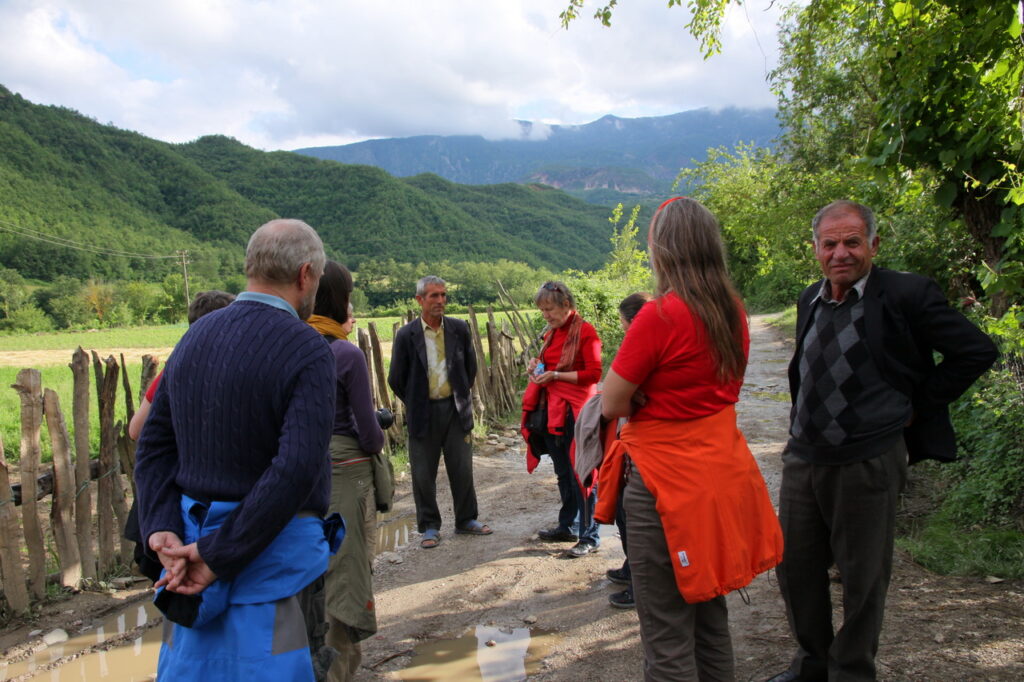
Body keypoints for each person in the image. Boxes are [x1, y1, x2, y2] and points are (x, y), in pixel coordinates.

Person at [767, 201, 998, 682]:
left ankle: (851, 671)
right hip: (804, 457)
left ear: (873, 244)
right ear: (816, 249)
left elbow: (975, 350)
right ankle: (812, 663)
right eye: (829, 244)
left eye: (852, 242)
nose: (840, 253)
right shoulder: (810, 297)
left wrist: (917, 404)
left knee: (862, 577)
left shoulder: (906, 293)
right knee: (795, 569)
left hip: (867, 457)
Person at [134, 218, 340, 681]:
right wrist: (218, 555)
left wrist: (162, 527)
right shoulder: (307, 348)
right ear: (306, 275)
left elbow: (153, 447)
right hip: (269, 565)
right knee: (280, 665)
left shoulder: (194, 338)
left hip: (185, 559)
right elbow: (295, 469)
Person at [602, 197, 783, 680]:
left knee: (665, 633)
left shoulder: (660, 315)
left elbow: (611, 402)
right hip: (718, 476)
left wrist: (640, 395)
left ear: (661, 249)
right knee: (709, 614)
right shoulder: (733, 310)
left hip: (663, 483)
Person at [308, 261, 389, 682]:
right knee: (346, 569)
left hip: (298, 476)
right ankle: (338, 668)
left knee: (309, 570)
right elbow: (371, 437)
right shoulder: (344, 352)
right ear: (341, 299)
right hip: (345, 476)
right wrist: (376, 425)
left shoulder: (291, 345)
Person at [125, 290, 235, 583]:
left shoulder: (179, 364)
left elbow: (136, 430)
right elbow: (137, 430)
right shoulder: (195, 369)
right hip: (185, 498)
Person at [388, 275, 491, 549]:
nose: (440, 301)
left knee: (462, 468)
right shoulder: (406, 335)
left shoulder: (459, 329)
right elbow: (396, 378)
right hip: (423, 413)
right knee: (423, 474)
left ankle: (466, 519)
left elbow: (470, 369)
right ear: (420, 300)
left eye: (443, 295)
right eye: (434, 296)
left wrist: (457, 394)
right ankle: (430, 526)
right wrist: (416, 400)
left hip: (456, 410)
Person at [521, 281, 603, 558]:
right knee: (563, 471)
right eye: (542, 310)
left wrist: (555, 376)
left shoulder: (586, 332)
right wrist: (538, 366)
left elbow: (594, 374)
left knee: (582, 470)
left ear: (566, 305)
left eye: (550, 309)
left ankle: (589, 535)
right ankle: (567, 524)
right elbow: (549, 365)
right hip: (553, 410)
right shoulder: (552, 334)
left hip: (576, 411)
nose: (546, 315)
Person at [604, 291, 652, 608]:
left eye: (622, 323)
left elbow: (614, 402)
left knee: (632, 514)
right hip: (631, 441)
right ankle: (631, 568)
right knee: (623, 508)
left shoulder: (643, 346)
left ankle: (640, 584)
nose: (622, 329)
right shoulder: (644, 343)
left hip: (641, 445)